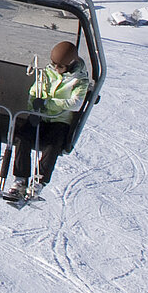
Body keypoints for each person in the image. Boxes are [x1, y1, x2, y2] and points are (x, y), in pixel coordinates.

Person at [7, 40, 92, 198]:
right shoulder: (47, 72)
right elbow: (35, 90)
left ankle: (39, 181)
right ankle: (20, 178)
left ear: (71, 64)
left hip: (59, 120)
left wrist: (49, 104)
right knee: (22, 137)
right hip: (40, 115)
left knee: (53, 145)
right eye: (54, 64)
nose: (56, 68)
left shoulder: (80, 80)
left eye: (60, 66)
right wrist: (35, 104)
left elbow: (75, 104)